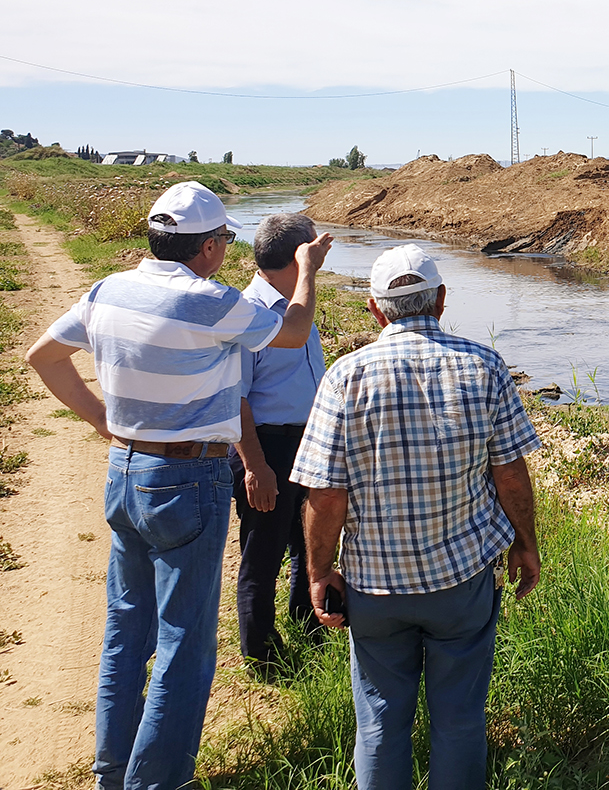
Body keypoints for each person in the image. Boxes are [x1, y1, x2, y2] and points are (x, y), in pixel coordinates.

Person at [25, 182, 332, 790]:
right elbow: (294, 329)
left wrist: (108, 425)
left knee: (126, 632)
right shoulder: (208, 301)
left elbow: (43, 356)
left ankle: (113, 772)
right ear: (211, 247)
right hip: (188, 478)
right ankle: (158, 781)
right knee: (184, 642)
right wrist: (307, 270)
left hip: (126, 472)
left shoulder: (107, 290)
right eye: (222, 240)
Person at [291, 243, 541, 790]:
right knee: (459, 718)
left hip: (376, 588)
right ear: (442, 301)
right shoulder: (485, 366)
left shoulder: (344, 377)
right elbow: (511, 476)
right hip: (462, 582)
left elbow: (326, 496)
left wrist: (317, 571)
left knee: (380, 720)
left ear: (376, 310)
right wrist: (526, 544)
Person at [232, 212, 327, 676]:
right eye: (313, 250)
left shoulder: (298, 304)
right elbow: (236, 399)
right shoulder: (249, 313)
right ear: (298, 256)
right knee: (262, 552)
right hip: (267, 447)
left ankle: (309, 631)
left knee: (308, 546)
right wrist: (255, 467)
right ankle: (262, 658)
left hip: (306, 442)